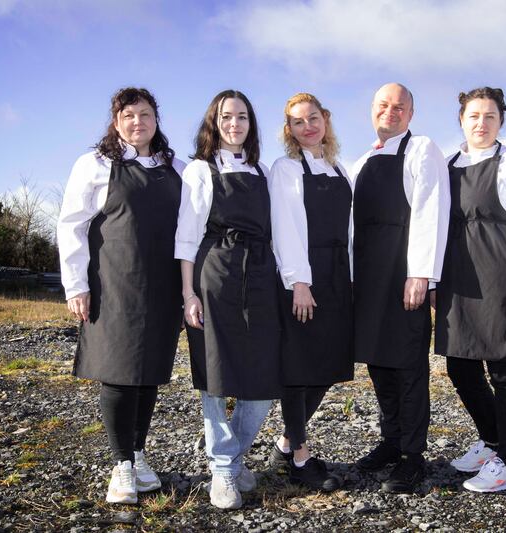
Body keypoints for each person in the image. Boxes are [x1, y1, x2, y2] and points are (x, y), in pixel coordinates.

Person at [57, 87, 185, 505]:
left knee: (148, 374)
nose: (137, 122)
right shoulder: (94, 164)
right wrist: (76, 285)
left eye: (145, 114)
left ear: (156, 119)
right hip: (113, 284)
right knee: (118, 371)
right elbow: (71, 225)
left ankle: (139, 454)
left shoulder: (175, 167)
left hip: (163, 286)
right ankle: (121, 466)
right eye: (128, 115)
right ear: (116, 122)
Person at [175, 90, 281, 510]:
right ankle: (223, 470)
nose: (234, 124)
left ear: (251, 123)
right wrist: (188, 295)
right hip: (214, 272)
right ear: (214, 123)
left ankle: (233, 455)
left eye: (241, 116)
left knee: (264, 374)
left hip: (259, 273)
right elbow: (186, 237)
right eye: (226, 117)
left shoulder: (265, 171)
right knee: (215, 375)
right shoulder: (200, 171)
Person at [433, 87, 506, 492]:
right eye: (474, 115)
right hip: (457, 278)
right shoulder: (448, 164)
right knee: (460, 366)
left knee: (505, 370)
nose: (481, 123)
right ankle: (492, 440)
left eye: (490, 116)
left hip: (501, 276)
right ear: (461, 119)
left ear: (501, 121)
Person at [351, 82, 450, 493]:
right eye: (383, 105)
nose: (390, 112)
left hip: (403, 270)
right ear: (372, 111)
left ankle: (413, 457)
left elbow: (431, 209)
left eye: (399, 107)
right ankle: (391, 442)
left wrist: (421, 273)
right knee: (379, 363)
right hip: (369, 275)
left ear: (410, 114)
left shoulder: (421, 149)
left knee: (408, 365)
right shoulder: (361, 161)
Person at [268, 93, 353, 492]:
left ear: (326, 118)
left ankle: (285, 444)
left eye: (313, 118)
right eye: (299, 122)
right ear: (290, 130)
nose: (308, 127)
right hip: (304, 273)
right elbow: (285, 226)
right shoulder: (285, 169)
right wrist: (299, 281)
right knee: (299, 366)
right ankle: (300, 457)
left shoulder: (340, 169)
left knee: (329, 363)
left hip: (337, 273)